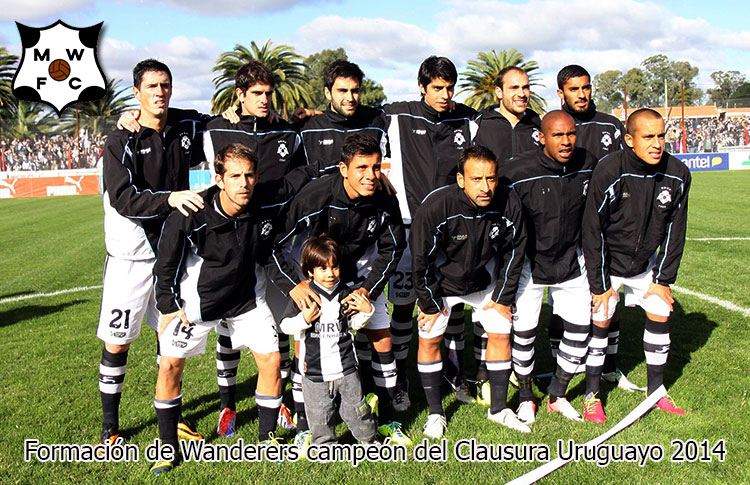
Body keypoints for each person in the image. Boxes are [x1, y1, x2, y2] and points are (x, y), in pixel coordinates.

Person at [151, 143, 326, 474]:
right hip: (198, 305)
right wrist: (168, 306)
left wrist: (335, 165)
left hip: (247, 301)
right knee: (170, 366)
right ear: (219, 179)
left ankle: (266, 438)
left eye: (249, 175)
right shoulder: (191, 213)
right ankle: (166, 447)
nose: (243, 183)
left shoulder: (263, 201)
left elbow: (300, 177)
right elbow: (166, 263)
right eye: (234, 176)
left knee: (272, 361)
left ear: (257, 176)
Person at [268, 133, 411, 445]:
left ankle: (387, 418)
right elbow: (275, 244)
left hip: (358, 276)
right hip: (318, 278)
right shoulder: (315, 196)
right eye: (361, 168)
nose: (370, 176)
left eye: (375, 168)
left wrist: (368, 291)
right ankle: (306, 425)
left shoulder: (385, 199)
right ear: (344, 169)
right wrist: (296, 286)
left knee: (382, 339)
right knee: (303, 346)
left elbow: (393, 249)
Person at [96, 59, 207, 449]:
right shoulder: (118, 140)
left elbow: (226, 122)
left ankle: (172, 418)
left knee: (173, 342)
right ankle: (111, 425)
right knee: (118, 341)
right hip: (130, 257)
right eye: (152, 86)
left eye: (165, 85)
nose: (160, 92)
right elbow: (123, 197)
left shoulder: (188, 126)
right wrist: (171, 199)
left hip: (174, 255)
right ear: (136, 93)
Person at [203, 60, 304, 438]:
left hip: (278, 243)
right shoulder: (215, 129)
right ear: (239, 96)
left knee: (280, 327)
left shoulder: (287, 133)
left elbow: (301, 173)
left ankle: (283, 406)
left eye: (268, 93)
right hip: (233, 247)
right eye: (256, 94)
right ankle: (227, 407)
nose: (264, 100)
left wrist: (273, 194)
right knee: (229, 332)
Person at [582, 108, 691, 423]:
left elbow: (675, 231)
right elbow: (593, 230)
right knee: (601, 316)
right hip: (608, 262)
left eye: (661, 136)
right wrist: (601, 284)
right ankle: (592, 394)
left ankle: (655, 392)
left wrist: (663, 280)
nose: (657, 144)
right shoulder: (609, 170)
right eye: (648, 137)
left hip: (644, 264)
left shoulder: (678, 173)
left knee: (660, 307)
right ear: (629, 139)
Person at [411, 145, 527, 437]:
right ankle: (436, 414)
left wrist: (503, 297)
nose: (485, 187)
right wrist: (429, 302)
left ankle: (499, 409)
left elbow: (516, 252)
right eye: (477, 179)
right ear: (461, 179)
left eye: (491, 178)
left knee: (501, 331)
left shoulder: (508, 201)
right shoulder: (436, 207)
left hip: (483, 282)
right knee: (429, 340)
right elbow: (420, 260)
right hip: (442, 285)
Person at [383, 56, 479, 408]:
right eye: (437, 87)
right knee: (405, 305)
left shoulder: (467, 119)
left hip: (454, 228)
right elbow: (354, 119)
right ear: (422, 86)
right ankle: (399, 380)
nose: (444, 94)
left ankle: (456, 374)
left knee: (452, 303)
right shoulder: (396, 115)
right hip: (410, 229)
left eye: (450, 88)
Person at [499, 110, 597, 424]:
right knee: (524, 334)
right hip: (530, 264)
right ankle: (526, 396)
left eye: (570, 134)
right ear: (541, 138)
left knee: (581, 331)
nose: (566, 141)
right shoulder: (516, 171)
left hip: (571, 261)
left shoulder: (588, 163)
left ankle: (558, 393)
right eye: (557, 135)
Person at [554, 65, 639, 391]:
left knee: (608, 299)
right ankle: (567, 365)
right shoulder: (553, 124)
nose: (582, 94)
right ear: (561, 93)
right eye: (574, 89)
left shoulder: (610, 125)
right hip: (564, 228)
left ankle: (609, 368)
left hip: (605, 229)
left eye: (586, 87)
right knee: (564, 304)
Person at [279, 235, 378, 445]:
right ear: (310, 271)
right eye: (322, 269)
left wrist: (367, 311)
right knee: (319, 415)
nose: (330, 274)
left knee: (357, 409)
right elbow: (285, 326)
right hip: (314, 371)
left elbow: (353, 325)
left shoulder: (346, 293)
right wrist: (304, 320)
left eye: (334, 267)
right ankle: (325, 446)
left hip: (347, 368)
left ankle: (368, 440)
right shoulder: (305, 296)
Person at [297, 60, 387, 166]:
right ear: (327, 93)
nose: (350, 98)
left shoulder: (376, 125)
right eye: (342, 91)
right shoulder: (307, 130)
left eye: (355, 91)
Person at [473, 66, 542, 164]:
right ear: (499, 92)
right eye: (514, 88)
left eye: (525, 87)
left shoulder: (539, 125)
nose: (521, 94)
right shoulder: (479, 125)